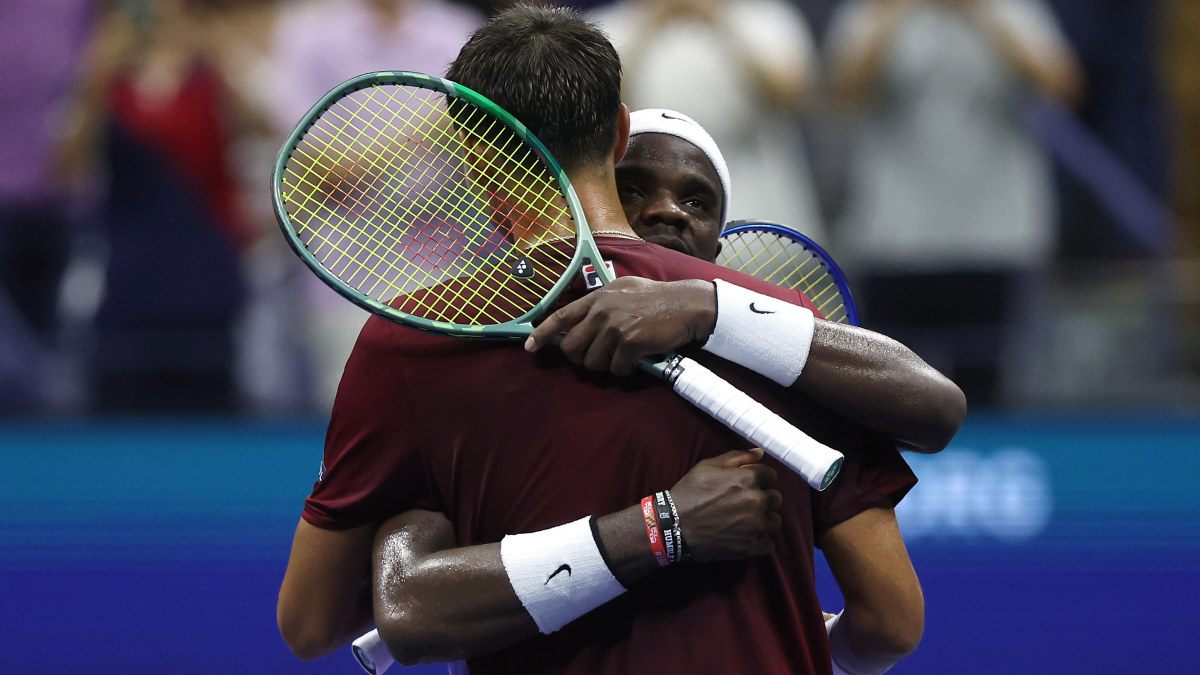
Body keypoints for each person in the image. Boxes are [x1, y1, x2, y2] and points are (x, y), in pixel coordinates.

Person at [277, 6, 965, 673]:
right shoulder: (782, 326)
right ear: (617, 133)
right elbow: (890, 620)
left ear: (471, 155)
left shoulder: (413, 342)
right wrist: (665, 530)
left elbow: (313, 623)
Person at [825, 0, 1083, 408]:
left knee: (989, 391)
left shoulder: (1012, 10)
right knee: (888, 394)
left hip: (993, 238)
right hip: (895, 239)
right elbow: (842, 92)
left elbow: (1062, 86)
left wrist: (983, 14)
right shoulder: (874, 11)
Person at [590, 0, 828, 241]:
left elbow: (795, 97)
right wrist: (650, 24)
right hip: (653, 222)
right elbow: (598, 106)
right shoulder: (611, 25)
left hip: (764, 214)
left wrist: (721, 22)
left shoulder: (765, 18)